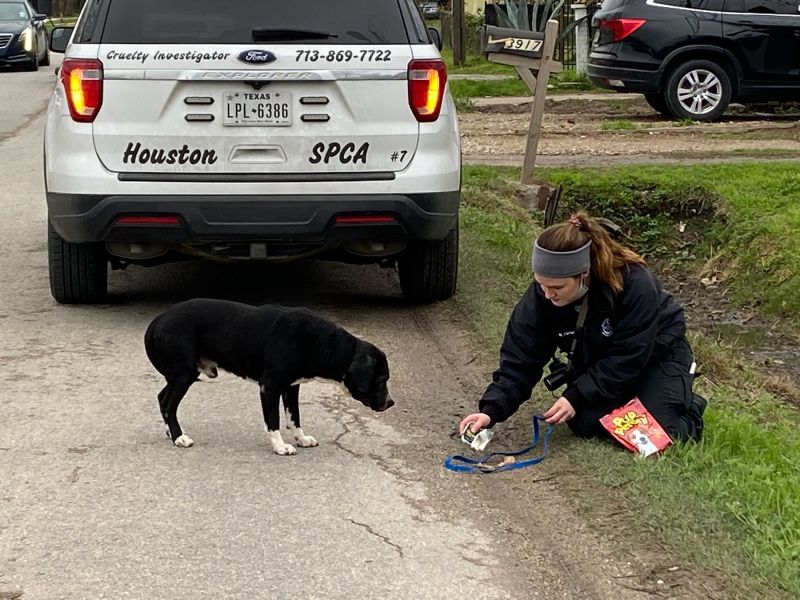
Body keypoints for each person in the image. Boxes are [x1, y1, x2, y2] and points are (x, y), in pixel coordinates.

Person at [459, 212, 706, 444]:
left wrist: (576, 395)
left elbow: (629, 355)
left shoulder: (635, 283)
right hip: (603, 359)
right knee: (584, 423)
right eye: (541, 284)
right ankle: (631, 400)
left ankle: (687, 403)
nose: (547, 295)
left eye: (556, 287)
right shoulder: (544, 293)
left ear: (584, 274)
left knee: (654, 436)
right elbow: (521, 357)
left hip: (656, 354)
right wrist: (491, 411)